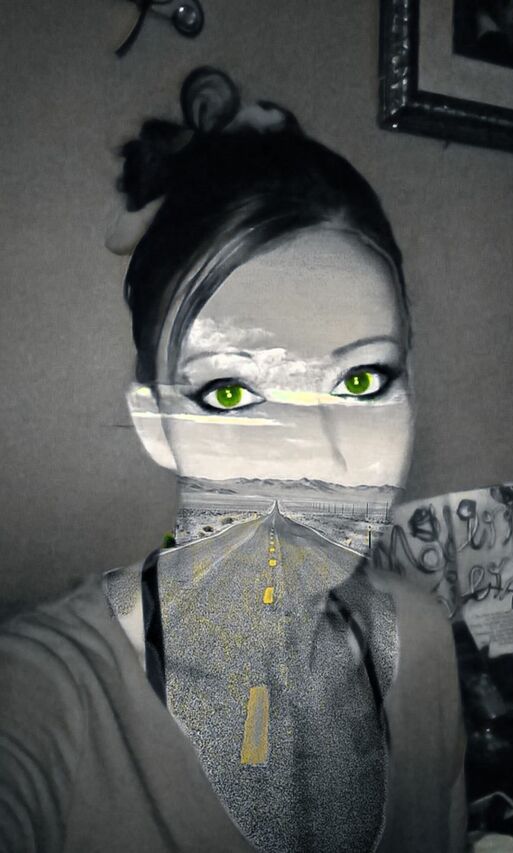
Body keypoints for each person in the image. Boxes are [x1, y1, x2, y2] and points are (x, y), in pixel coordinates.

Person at [0, 68, 466, 852]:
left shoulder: (423, 646)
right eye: (231, 394)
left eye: (360, 381)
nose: (318, 463)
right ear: (157, 422)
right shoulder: (45, 698)